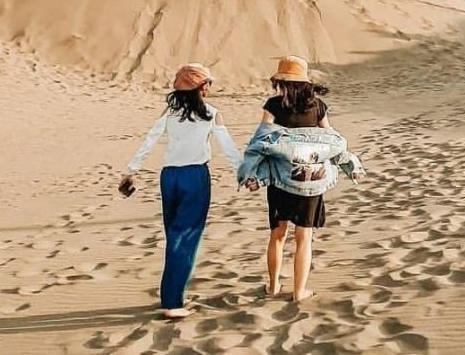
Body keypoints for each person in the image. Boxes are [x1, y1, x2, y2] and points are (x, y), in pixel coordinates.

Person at [122, 63, 242, 319]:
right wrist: (244, 174)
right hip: (195, 177)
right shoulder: (212, 113)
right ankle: (173, 302)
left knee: (174, 236)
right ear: (201, 87)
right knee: (185, 237)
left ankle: (172, 295)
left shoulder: (170, 111)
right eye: (208, 83)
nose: (210, 87)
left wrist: (131, 170)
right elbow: (229, 149)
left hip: (169, 178)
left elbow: (150, 140)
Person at [247, 55, 331, 302]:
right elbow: (331, 137)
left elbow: (261, 140)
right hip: (308, 177)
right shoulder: (317, 106)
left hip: (280, 177)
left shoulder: (273, 105)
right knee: (304, 237)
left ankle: (273, 286)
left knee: (278, 233)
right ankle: (299, 291)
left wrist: (253, 173)